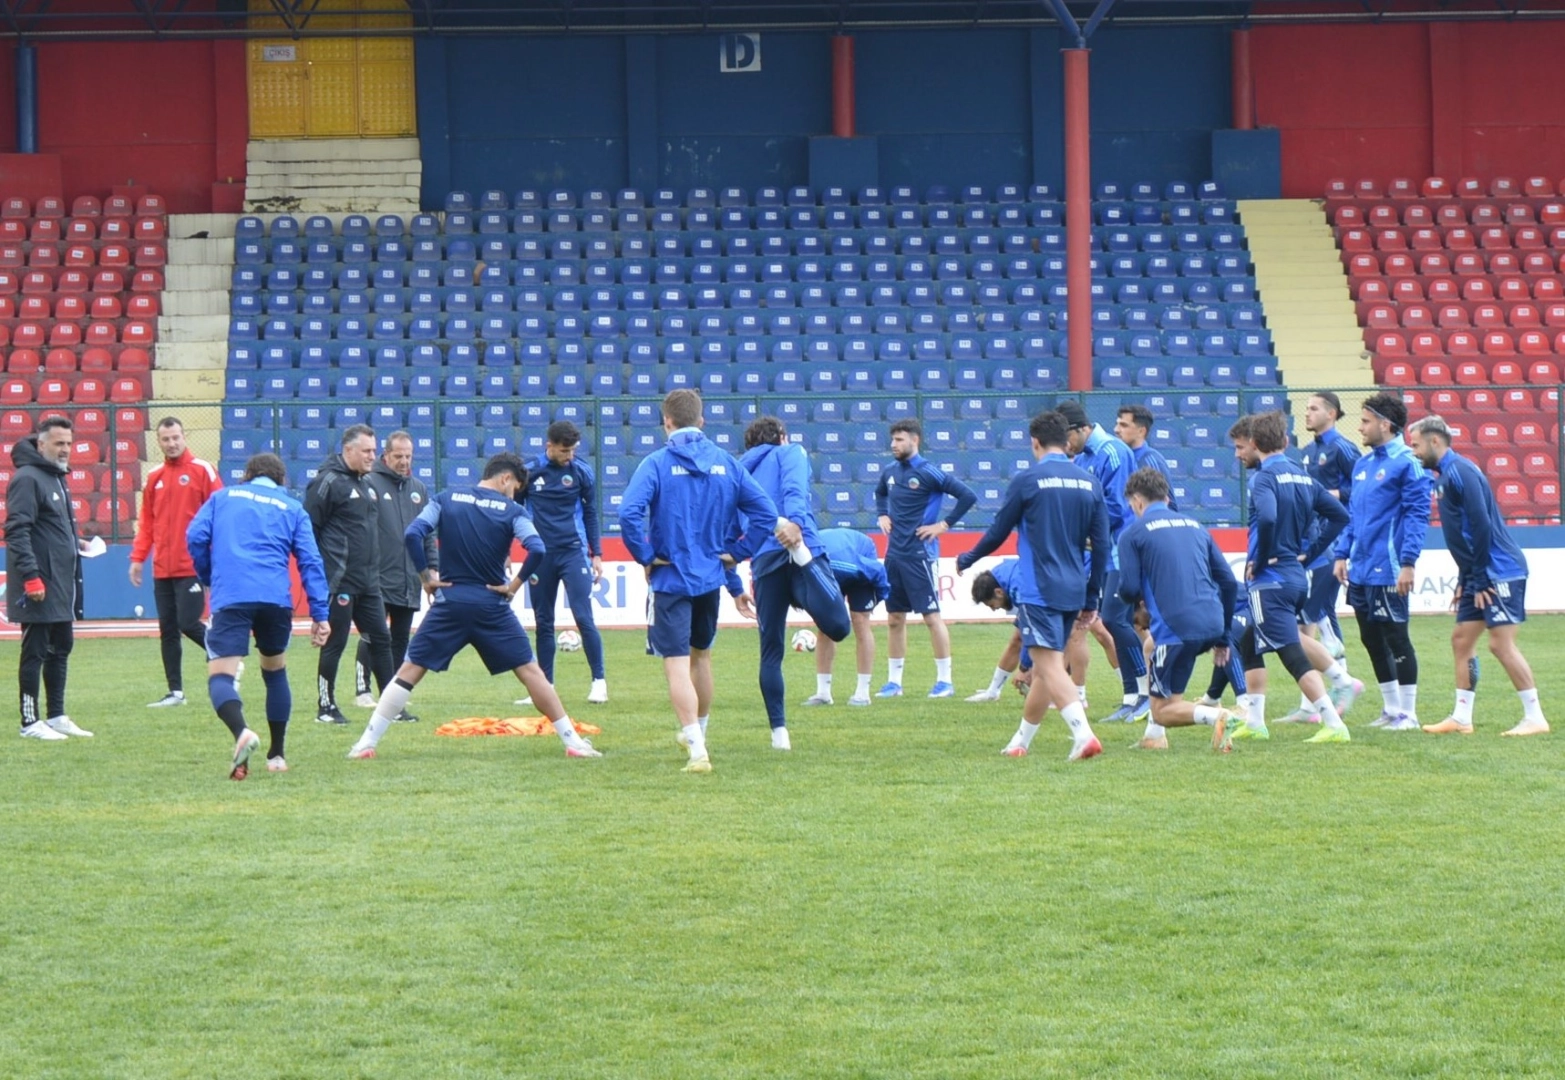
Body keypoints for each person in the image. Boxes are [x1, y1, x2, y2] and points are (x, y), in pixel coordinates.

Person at [348, 452, 601, 761]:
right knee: (531, 673)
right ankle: (573, 742)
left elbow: (414, 532)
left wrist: (426, 577)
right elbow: (537, 548)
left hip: (450, 603)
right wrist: (513, 586)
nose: (514, 496)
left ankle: (366, 743)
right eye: (515, 489)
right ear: (506, 479)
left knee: (409, 671)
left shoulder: (445, 498)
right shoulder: (513, 511)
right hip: (492, 605)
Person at [619, 390, 781, 772]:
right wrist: (738, 553)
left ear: (666, 422)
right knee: (702, 657)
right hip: (710, 578)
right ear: (702, 421)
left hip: (671, 579)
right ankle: (700, 735)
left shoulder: (656, 463)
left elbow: (628, 513)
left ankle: (696, 748)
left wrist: (645, 555)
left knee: (676, 664)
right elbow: (766, 512)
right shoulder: (726, 462)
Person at [955, 409, 1110, 762]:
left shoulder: (1028, 480)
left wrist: (969, 557)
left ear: (1035, 442)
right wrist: (1092, 596)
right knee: (1043, 669)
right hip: (1074, 588)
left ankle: (1083, 735)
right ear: (1066, 441)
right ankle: (1019, 742)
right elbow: (1102, 546)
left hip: (1039, 588)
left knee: (1049, 665)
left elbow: (998, 531)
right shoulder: (1090, 483)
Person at [186, 453, 331, 778]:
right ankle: (277, 755)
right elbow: (310, 561)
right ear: (282, 480)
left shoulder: (222, 498)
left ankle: (242, 733)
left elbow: (195, 536)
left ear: (247, 475)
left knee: (221, 677)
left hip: (232, 595)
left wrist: (208, 575)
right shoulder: (292, 507)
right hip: (275, 598)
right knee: (275, 671)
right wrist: (320, 613)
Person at [1408, 416, 1548, 737]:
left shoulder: (1462, 471)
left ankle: (1535, 717)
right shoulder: (1445, 476)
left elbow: (1481, 525)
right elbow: (1464, 534)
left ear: (1434, 441)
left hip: (1500, 570)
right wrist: (1465, 579)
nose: (1413, 452)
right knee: (1461, 640)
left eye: (1415, 445)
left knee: (1500, 644)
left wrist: (1481, 577)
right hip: (1479, 572)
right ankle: (1461, 718)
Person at [1230, 412, 1360, 745]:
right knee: (1248, 641)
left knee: (1291, 653)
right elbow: (1340, 515)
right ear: (1286, 442)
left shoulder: (1263, 478)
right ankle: (1255, 722)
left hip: (1271, 578)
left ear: (1255, 443)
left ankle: (1333, 722)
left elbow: (1268, 517)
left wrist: (1261, 559)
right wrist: (1310, 553)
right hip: (1296, 575)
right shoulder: (1303, 477)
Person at [732, 417, 852, 748]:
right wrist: (796, 523)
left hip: (764, 561)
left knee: (771, 651)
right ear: (781, 436)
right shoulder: (790, 452)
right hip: (800, 546)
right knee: (839, 626)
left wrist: (733, 583)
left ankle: (779, 734)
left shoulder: (739, 470)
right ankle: (802, 557)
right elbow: (794, 489)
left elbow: (731, 524)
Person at [1114, 467, 1239, 751]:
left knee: (1163, 711)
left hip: (1176, 628)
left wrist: (1132, 600)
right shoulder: (1196, 526)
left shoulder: (1132, 534)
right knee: (1151, 649)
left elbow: (1129, 588)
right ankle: (1154, 737)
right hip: (1212, 622)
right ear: (1167, 498)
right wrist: (1224, 637)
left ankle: (1218, 716)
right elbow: (1229, 583)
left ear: (1137, 501)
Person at [1332, 392, 1432, 731]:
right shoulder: (1363, 465)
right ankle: (1391, 710)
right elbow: (1353, 516)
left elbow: (1418, 515)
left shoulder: (1408, 463)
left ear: (1385, 424)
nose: (1360, 427)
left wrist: (1408, 562)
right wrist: (1342, 553)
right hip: (1361, 568)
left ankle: (1409, 714)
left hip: (1389, 568)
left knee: (1396, 637)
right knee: (1371, 639)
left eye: (1365, 421)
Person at [1055, 400, 1146, 724]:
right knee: (1112, 620)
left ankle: (1147, 693)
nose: (1065, 445)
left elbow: (1117, 506)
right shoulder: (1083, 458)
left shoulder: (1111, 451)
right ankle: (1131, 697)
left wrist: (1085, 529)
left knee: (1116, 619)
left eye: (1067, 437)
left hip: (1124, 548)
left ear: (1081, 429)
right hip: (1105, 552)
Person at [873, 418, 977, 699]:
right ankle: (894, 683)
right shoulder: (890, 471)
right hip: (894, 555)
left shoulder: (929, 472)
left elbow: (968, 496)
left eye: (899, 439)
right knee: (894, 618)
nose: (894, 444)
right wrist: (882, 514)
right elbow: (880, 492)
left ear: (914, 440)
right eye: (893, 439)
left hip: (921, 555)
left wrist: (943, 525)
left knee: (931, 617)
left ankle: (945, 681)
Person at [5, 416, 93, 740]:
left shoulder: (56, 477)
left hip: (60, 582)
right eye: (59, 443)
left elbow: (49, 527)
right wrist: (31, 577)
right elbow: (17, 531)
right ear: (41, 445)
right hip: (40, 583)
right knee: (35, 650)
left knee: (61, 647)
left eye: (69, 443)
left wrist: (76, 542)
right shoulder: (28, 478)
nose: (65, 449)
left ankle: (56, 715)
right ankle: (30, 722)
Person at [304, 424, 396, 725]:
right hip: (340, 581)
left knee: (381, 639)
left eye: (374, 450)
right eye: (367, 451)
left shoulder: (366, 484)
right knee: (336, 643)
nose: (372, 456)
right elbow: (309, 531)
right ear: (348, 450)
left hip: (369, 581)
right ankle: (325, 706)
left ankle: (391, 706)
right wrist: (322, 573)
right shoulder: (327, 482)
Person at [1279, 390, 1361, 724]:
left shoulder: (1343, 448)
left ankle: (1338, 687)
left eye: (1314, 408)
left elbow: (1363, 489)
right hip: (1314, 544)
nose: (1307, 413)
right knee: (1315, 618)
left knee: (1312, 619)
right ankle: (1316, 700)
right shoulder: (1308, 452)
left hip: (1334, 545)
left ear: (1332, 413)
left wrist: (1333, 494)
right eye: (1306, 408)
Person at [129, 417, 223, 708]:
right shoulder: (154, 476)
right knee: (168, 629)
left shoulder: (203, 470)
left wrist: (215, 557)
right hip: (162, 568)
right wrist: (138, 558)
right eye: (165, 439)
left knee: (187, 623)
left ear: (184, 437)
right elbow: (147, 522)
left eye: (175, 438)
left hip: (192, 566)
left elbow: (219, 514)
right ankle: (175, 693)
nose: (171, 443)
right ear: (159, 442)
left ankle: (223, 653)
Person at [519, 420, 609, 705]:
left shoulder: (581, 471)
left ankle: (599, 683)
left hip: (573, 553)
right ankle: (545, 688)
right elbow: (514, 511)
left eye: (572, 450)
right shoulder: (530, 471)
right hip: (541, 556)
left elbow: (591, 514)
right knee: (543, 621)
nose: (569, 456)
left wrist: (597, 554)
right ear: (549, 446)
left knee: (584, 616)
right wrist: (509, 551)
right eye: (563, 451)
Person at [350, 431, 432, 723]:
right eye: (398, 456)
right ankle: (362, 690)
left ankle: (393, 696)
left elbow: (428, 534)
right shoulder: (369, 483)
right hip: (376, 576)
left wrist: (429, 570)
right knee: (374, 635)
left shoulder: (418, 489)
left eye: (408, 456)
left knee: (399, 640)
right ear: (386, 455)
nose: (404, 461)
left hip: (408, 577)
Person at [802, 527, 889, 708]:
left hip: (858, 560)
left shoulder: (848, 565)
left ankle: (863, 693)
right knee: (825, 625)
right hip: (832, 564)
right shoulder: (803, 565)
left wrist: (878, 598)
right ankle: (823, 694)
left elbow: (878, 571)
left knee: (860, 621)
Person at [965, 559, 1030, 703]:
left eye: (991, 605)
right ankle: (993, 692)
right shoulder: (998, 576)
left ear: (999, 592)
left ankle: (1070, 695)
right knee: (1017, 639)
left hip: (1064, 591)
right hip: (1048, 590)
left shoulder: (1018, 588)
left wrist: (1024, 669)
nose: (994, 609)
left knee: (1071, 638)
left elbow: (1030, 631)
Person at [1114, 404, 1176, 502]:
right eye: (1117, 424)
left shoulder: (1153, 462)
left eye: (1124, 425)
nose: (1116, 430)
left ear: (1141, 431)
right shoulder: (1113, 457)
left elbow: (1170, 505)